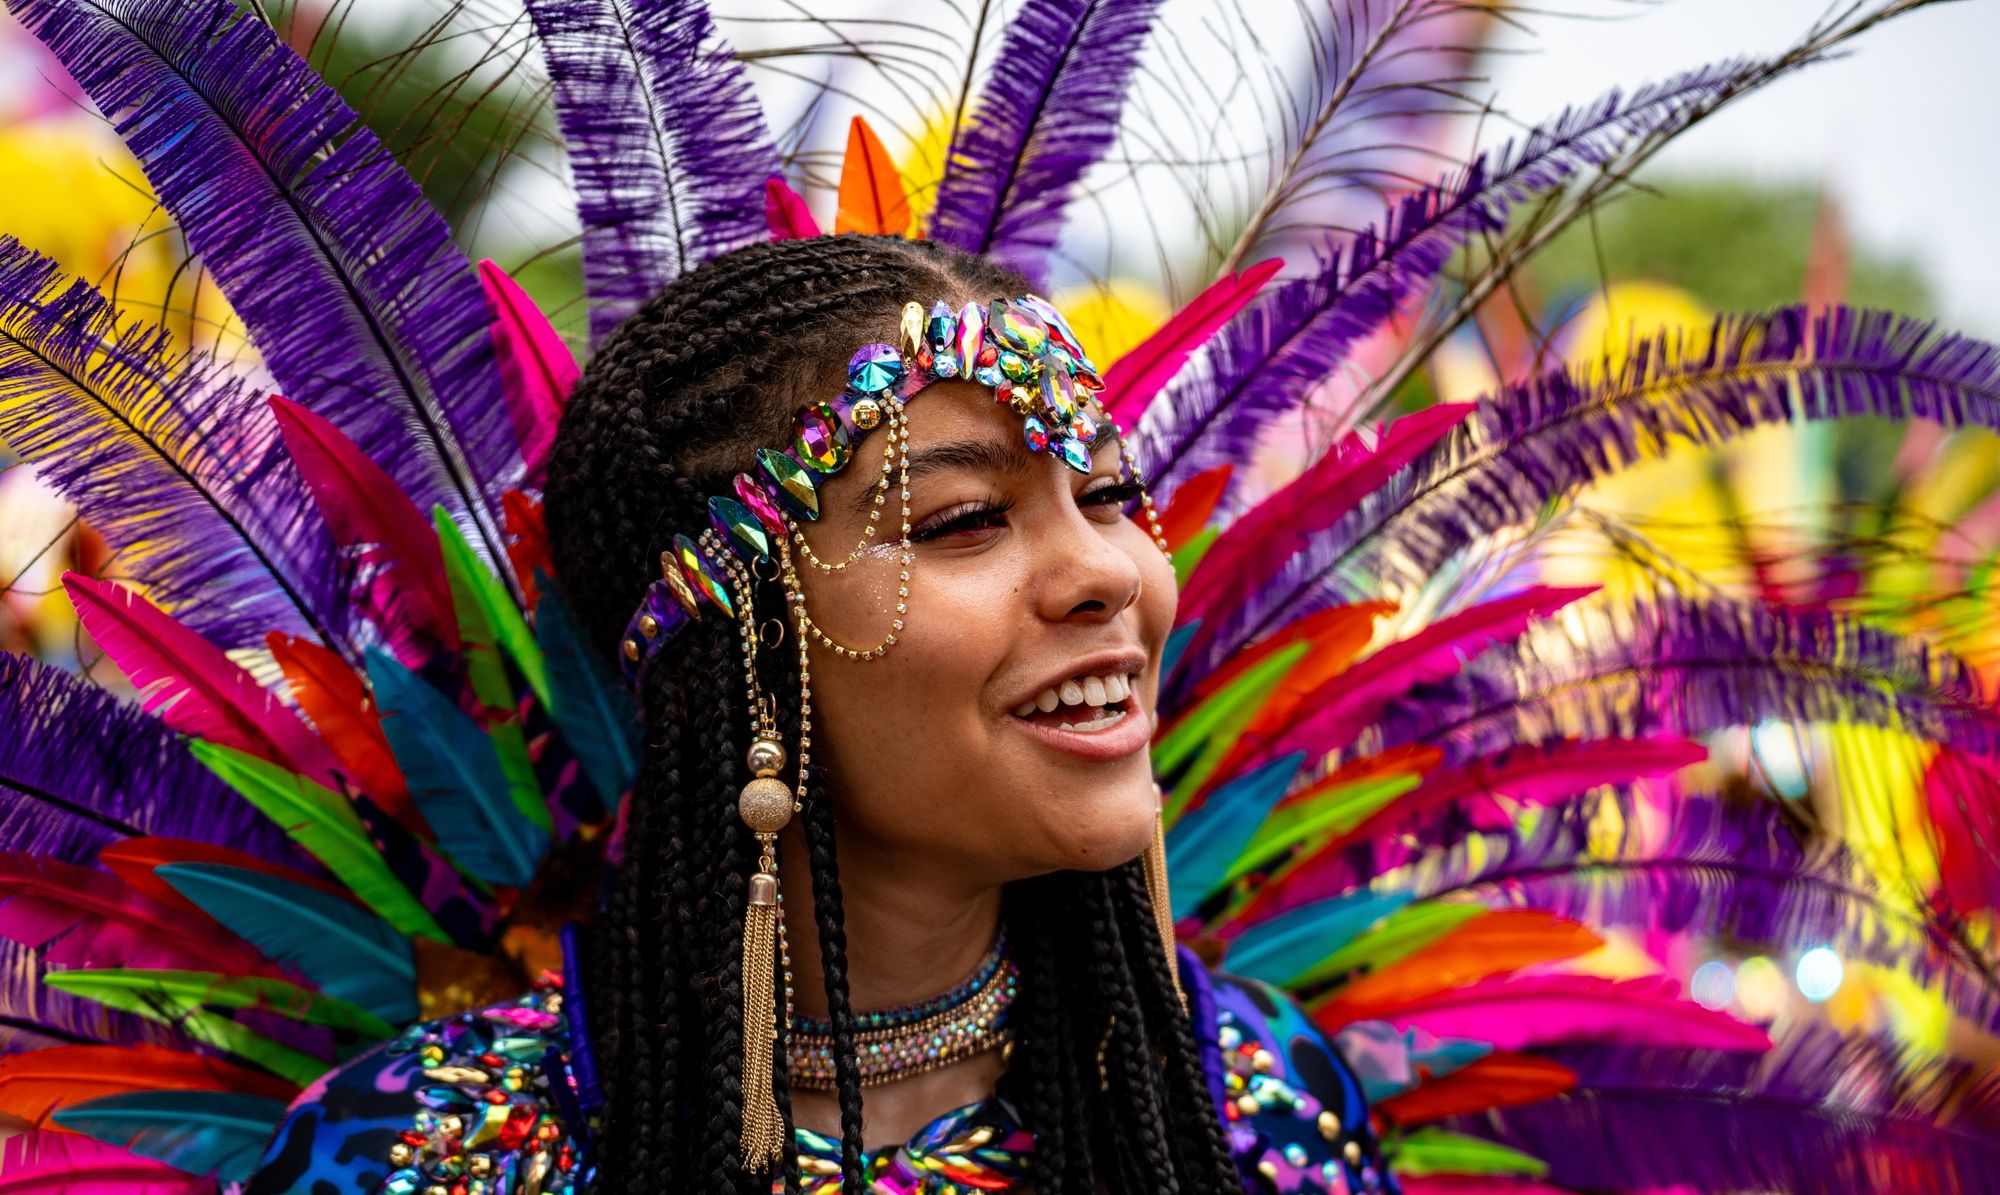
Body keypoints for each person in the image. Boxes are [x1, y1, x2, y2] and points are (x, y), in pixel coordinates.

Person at [1, 0, 1994, 1192]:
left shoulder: (1254, 1112)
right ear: (724, 640)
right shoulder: (414, 1153)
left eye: (1112, 493)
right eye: (960, 521)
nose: (1107, 580)